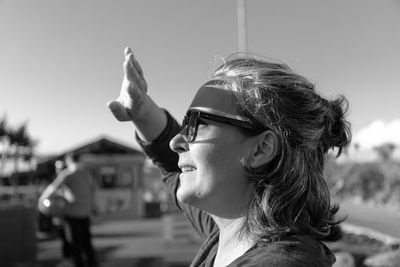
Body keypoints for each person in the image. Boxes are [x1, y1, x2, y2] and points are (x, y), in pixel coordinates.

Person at [108, 47, 351, 266]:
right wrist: (141, 111)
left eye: (196, 124)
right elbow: (175, 169)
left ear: (260, 149)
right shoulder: (232, 230)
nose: (176, 142)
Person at [39, 153, 98, 267]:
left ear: (69, 161)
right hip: (85, 213)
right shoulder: (87, 174)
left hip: (72, 215)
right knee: (87, 243)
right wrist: (93, 207)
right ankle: (92, 263)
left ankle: (78, 264)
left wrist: (41, 200)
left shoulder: (68, 174)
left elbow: (51, 189)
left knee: (75, 244)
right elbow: (94, 191)